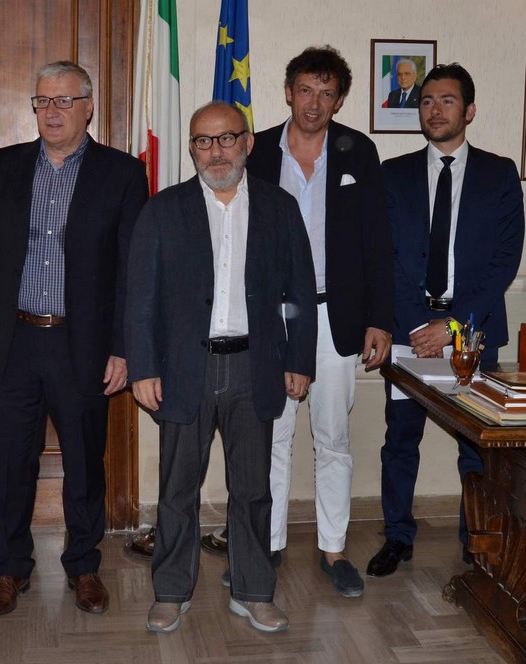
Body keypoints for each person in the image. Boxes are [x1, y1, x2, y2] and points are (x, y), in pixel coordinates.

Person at [126, 101, 317, 634]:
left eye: (227, 139)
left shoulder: (279, 208)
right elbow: (139, 298)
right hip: (185, 369)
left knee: (254, 489)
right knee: (176, 489)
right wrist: (143, 366)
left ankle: (254, 591)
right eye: (203, 141)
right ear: (191, 149)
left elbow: (299, 291)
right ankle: (171, 591)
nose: (216, 151)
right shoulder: (163, 210)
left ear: (248, 143)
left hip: (256, 366)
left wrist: (300, 359)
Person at [0, 60, 148, 617]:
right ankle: (10, 569)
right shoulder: (3, 166)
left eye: (64, 101)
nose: (52, 111)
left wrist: (123, 346)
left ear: (88, 107)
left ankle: (84, 566)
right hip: (15, 342)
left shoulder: (121, 173)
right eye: (43, 101)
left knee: (85, 463)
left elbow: (131, 269)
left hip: (86, 345)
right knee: (10, 463)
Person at [243, 45, 394, 598]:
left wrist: (380, 319)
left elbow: (379, 242)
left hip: (337, 318)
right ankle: (271, 546)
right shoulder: (255, 152)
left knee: (332, 438)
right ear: (288, 91)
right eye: (305, 89)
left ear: (339, 99)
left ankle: (333, 550)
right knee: (272, 438)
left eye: (327, 93)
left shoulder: (358, 152)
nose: (314, 103)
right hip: (274, 318)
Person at [368, 63, 524, 577]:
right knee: (400, 440)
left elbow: (505, 260)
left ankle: (475, 540)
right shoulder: (393, 173)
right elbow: (385, 255)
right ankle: (397, 536)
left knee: (477, 447)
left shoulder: (500, 175)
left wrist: (453, 326)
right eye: (428, 101)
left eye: (448, 101)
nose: (435, 109)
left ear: (469, 110)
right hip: (409, 330)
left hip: (473, 334)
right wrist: (417, 327)